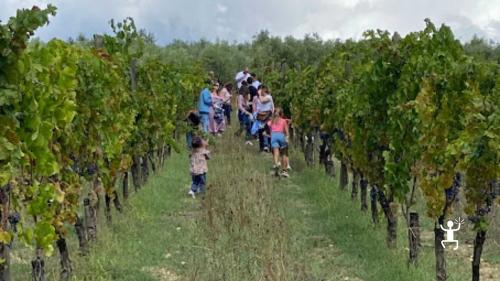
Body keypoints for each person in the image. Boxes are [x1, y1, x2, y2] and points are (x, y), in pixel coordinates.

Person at [268, 108, 290, 177]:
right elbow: (286, 132)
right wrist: (287, 137)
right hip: (281, 136)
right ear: (282, 114)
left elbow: (268, 128)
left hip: (273, 136)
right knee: (284, 153)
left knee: (275, 152)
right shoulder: (283, 121)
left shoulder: (271, 121)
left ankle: (276, 163)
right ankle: (284, 171)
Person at [252, 85, 274, 152]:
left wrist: (259, 94)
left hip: (267, 116)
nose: (259, 91)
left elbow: (262, 101)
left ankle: (269, 147)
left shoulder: (269, 97)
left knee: (267, 131)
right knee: (260, 132)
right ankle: (261, 148)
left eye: (261, 90)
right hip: (260, 116)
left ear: (264, 90)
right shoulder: (260, 97)